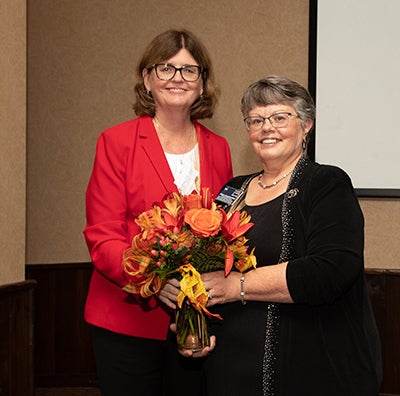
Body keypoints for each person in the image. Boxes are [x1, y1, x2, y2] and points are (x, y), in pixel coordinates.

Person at [177, 75, 382, 395]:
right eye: (255, 120)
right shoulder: (231, 191)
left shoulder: (326, 184)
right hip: (229, 373)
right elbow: (205, 270)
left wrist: (235, 287)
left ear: (306, 125)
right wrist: (193, 325)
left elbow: (329, 270)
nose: (266, 127)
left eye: (280, 117)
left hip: (309, 372)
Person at [83, 29, 232, 396]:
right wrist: (154, 280)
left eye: (189, 70)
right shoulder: (116, 142)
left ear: (202, 84)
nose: (177, 78)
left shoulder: (220, 148)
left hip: (194, 321)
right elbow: (103, 236)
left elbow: (224, 234)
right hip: (126, 321)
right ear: (147, 79)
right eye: (166, 68)